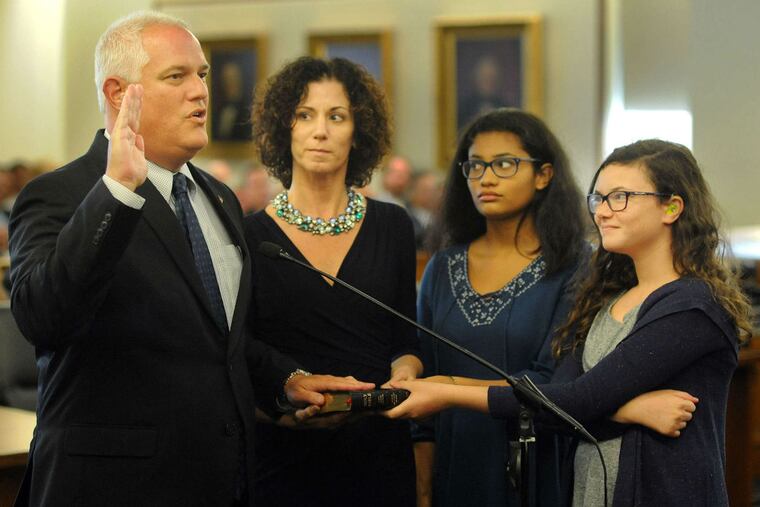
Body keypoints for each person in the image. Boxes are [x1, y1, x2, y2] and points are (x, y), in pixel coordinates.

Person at [8, 12, 369, 506]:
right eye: (176, 77)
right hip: (111, 488)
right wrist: (117, 191)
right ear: (118, 94)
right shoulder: (62, 193)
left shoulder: (218, 197)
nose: (200, 92)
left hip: (221, 482)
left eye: (201, 75)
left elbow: (217, 340)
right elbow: (42, 315)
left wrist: (286, 380)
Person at [387, 139, 753, 507]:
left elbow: (575, 401)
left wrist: (445, 392)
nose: (603, 212)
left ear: (672, 207)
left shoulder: (691, 306)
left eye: (620, 197)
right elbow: (555, 400)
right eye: (598, 198)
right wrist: (628, 409)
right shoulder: (606, 299)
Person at [245, 56, 422, 506]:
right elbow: (236, 355)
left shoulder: (394, 226)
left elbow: (406, 338)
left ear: (357, 132)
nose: (320, 130)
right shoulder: (247, 235)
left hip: (378, 454)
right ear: (284, 128)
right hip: (282, 457)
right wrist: (282, 415)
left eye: (336, 116)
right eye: (304, 115)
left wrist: (405, 373)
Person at [412, 108, 587, 507]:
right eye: (475, 166)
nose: (486, 178)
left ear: (543, 175)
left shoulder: (573, 265)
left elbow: (553, 383)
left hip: (535, 466)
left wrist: (446, 389)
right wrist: (422, 489)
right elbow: (423, 381)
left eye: (505, 164)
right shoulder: (443, 265)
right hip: (454, 468)